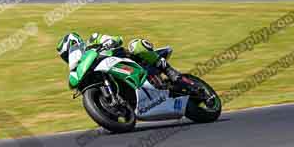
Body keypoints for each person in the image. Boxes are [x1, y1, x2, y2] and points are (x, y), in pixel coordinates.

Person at [57, 32, 200, 94]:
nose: (68, 56)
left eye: (68, 52)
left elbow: (117, 39)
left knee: (135, 45)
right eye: (66, 56)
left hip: (130, 60)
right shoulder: (80, 69)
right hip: (116, 75)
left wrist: (108, 43)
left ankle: (170, 72)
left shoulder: (93, 40)